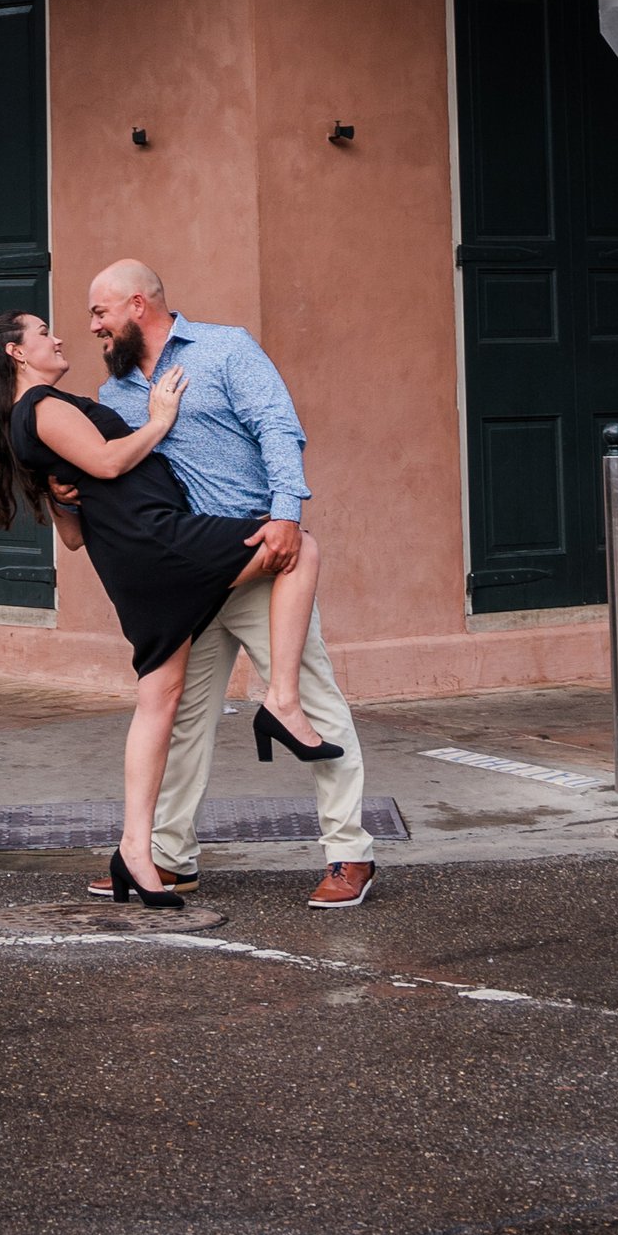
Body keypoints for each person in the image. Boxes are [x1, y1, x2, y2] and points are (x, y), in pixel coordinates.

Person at [0, 311, 324, 909]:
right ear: (18, 354)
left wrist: (60, 493)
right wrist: (161, 418)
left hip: (135, 558)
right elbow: (108, 463)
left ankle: (135, 854)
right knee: (295, 544)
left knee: (160, 701)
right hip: (157, 542)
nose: (59, 337)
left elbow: (72, 533)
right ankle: (280, 698)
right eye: (44, 333)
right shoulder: (42, 406)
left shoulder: (33, 417)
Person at [90, 260, 375, 911]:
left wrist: (285, 515)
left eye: (100, 313)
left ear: (138, 304)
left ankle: (349, 851)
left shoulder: (226, 349)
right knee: (185, 720)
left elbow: (278, 426)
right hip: (186, 574)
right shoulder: (116, 398)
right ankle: (168, 858)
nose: (94, 328)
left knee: (309, 698)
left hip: (258, 558)